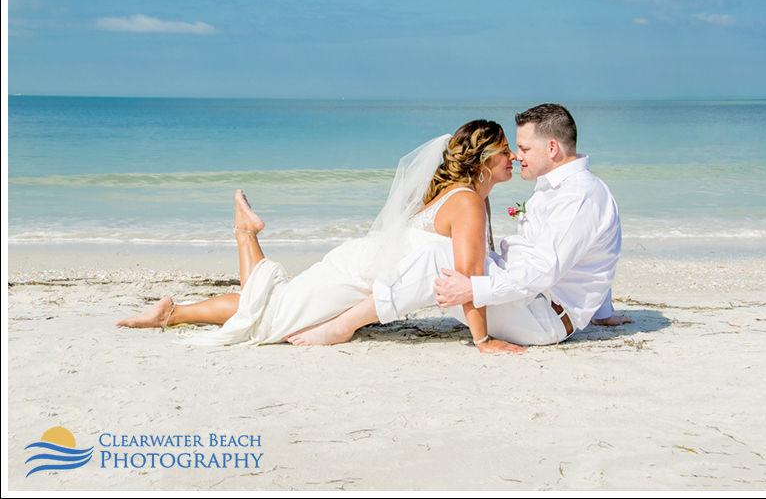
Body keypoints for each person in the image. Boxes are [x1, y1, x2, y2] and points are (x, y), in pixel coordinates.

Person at [116, 120, 526, 354]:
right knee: (268, 319)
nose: (514, 158)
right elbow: (468, 279)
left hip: (362, 267)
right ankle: (244, 233)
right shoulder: (468, 201)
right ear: (484, 160)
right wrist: (483, 340)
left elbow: (467, 274)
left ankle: (172, 312)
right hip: (358, 276)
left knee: (272, 305)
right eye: (506, 151)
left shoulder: (467, 199)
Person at [300, 103, 631, 347]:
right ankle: (338, 303)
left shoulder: (579, 196)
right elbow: (589, 256)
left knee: (438, 258)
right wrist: (602, 310)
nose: (517, 156)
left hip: (541, 319)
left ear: (553, 148)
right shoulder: (561, 189)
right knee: (444, 253)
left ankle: (342, 325)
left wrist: (473, 288)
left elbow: (543, 270)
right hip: (529, 302)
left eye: (525, 148)